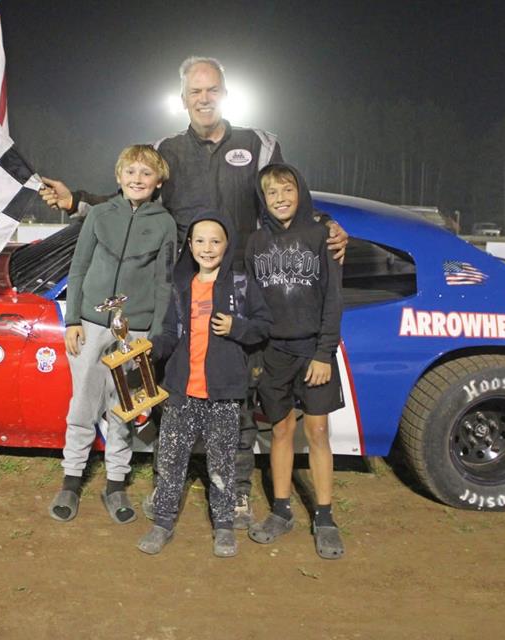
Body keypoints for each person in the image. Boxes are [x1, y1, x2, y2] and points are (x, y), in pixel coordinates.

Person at [40, 56, 349, 528]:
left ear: (225, 92)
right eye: (194, 92)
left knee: (237, 395)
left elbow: (286, 196)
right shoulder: (168, 149)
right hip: (184, 291)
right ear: (183, 99)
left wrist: (326, 225)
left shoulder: (260, 143)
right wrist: (77, 200)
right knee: (174, 388)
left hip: (241, 290)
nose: (204, 99)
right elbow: (131, 198)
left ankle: (238, 493)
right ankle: (171, 485)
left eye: (212, 90)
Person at [49, 145, 177, 525]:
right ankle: (71, 481)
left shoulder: (165, 223)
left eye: (146, 174)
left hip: (134, 329)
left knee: (126, 408)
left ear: (158, 182)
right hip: (90, 322)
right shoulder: (100, 215)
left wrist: (154, 335)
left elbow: (164, 282)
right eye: (131, 172)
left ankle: (116, 482)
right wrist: (72, 319)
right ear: (119, 177)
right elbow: (79, 265)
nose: (137, 179)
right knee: (83, 405)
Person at [137, 210, 271, 556]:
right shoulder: (180, 286)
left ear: (228, 245)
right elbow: (169, 333)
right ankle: (163, 521)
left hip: (223, 393)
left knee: (223, 462)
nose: (207, 248)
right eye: (199, 241)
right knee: (170, 460)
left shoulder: (241, 284)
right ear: (190, 245)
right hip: (181, 391)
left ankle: (224, 526)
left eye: (215, 241)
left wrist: (237, 328)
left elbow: (263, 327)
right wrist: (152, 349)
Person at [245, 163, 345, 560]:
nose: (281, 199)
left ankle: (324, 516)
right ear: (264, 200)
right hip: (274, 353)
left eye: (287, 190)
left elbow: (333, 300)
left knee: (318, 433)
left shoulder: (322, 235)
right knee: (281, 431)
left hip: (312, 351)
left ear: (300, 192)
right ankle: (281, 510)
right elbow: (252, 302)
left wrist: (324, 353)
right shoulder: (255, 243)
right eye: (272, 193)